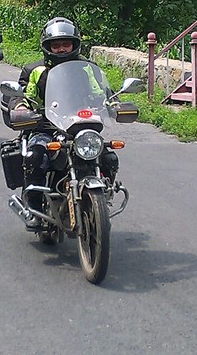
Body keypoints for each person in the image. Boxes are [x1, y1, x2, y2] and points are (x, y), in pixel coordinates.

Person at [12, 17, 118, 228]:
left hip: (81, 125)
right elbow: (24, 95)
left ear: (74, 44)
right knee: (35, 155)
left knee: (109, 158)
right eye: (56, 45)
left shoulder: (88, 68)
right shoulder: (35, 70)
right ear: (48, 46)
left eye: (65, 44)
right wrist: (20, 107)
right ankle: (34, 209)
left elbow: (102, 92)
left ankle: (102, 198)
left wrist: (114, 102)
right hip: (46, 126)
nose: (61, 49)